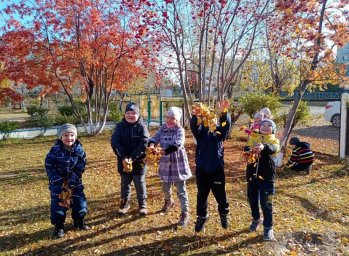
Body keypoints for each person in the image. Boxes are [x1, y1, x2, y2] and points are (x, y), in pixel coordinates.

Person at [190, 100, 231, 233]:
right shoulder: (201, 131)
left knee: (220, 194)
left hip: (216, 169)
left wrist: (224, 113)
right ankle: (202, 216)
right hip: (202, 169)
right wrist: (196, 116)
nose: (211, 120)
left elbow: (226, 125)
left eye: (213, 117)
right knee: (202, 194)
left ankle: (224, 214)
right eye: (208, 117)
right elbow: (193, 127)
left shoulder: (220, 132)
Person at [148, 106, 192, 227]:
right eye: (167, 117)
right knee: (165, 187)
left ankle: (185, 213)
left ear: (177, 119)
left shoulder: (180, 130)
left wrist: (164, 151)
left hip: (178, 163)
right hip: (165, 163)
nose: (169, 120)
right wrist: (152, 145)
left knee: (181, 190)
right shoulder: (163, 128)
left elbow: (178, 143)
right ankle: (169, 201)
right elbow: (154, 138)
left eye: (172, 118)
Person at [45, 123, 89, 239]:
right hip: (58, 185)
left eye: (71, 135)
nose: (69, 138)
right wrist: (58, 180)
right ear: (60, 137)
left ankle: (79, 221)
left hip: (75, 183)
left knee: (80, 204)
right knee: (58, 207)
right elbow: (49, 167)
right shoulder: (54, 151)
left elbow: (81, 166)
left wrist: (72, 180)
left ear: (75, 136)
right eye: (65, 135)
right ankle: (59, 227)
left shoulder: (79, 150)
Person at [111, 102, 150, 216]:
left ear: (138, 115)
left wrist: (132, 158)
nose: (130, 115)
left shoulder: (142, 127)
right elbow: (115, 142)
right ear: (125, 114)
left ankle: (142, 205)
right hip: (123, 161)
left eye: (133, 113)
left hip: (138, 162)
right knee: (125, 183)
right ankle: (124, 203)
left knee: (139, 183)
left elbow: (144, 143)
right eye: (128, 113)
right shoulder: (120, 126)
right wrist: (123, 157)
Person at [244, 119, 279, 241]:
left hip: (267, 178)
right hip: (252, 177)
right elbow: (247, 147)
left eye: (269, 125)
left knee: (266, 202)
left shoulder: (274, 140)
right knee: (252, 199)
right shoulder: (254, 136)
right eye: (263, 124)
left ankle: (268, 227)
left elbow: (274, 148)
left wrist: (263, 147)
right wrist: (249, 150)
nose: (265, 126)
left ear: (273, 129)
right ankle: (256, 219)